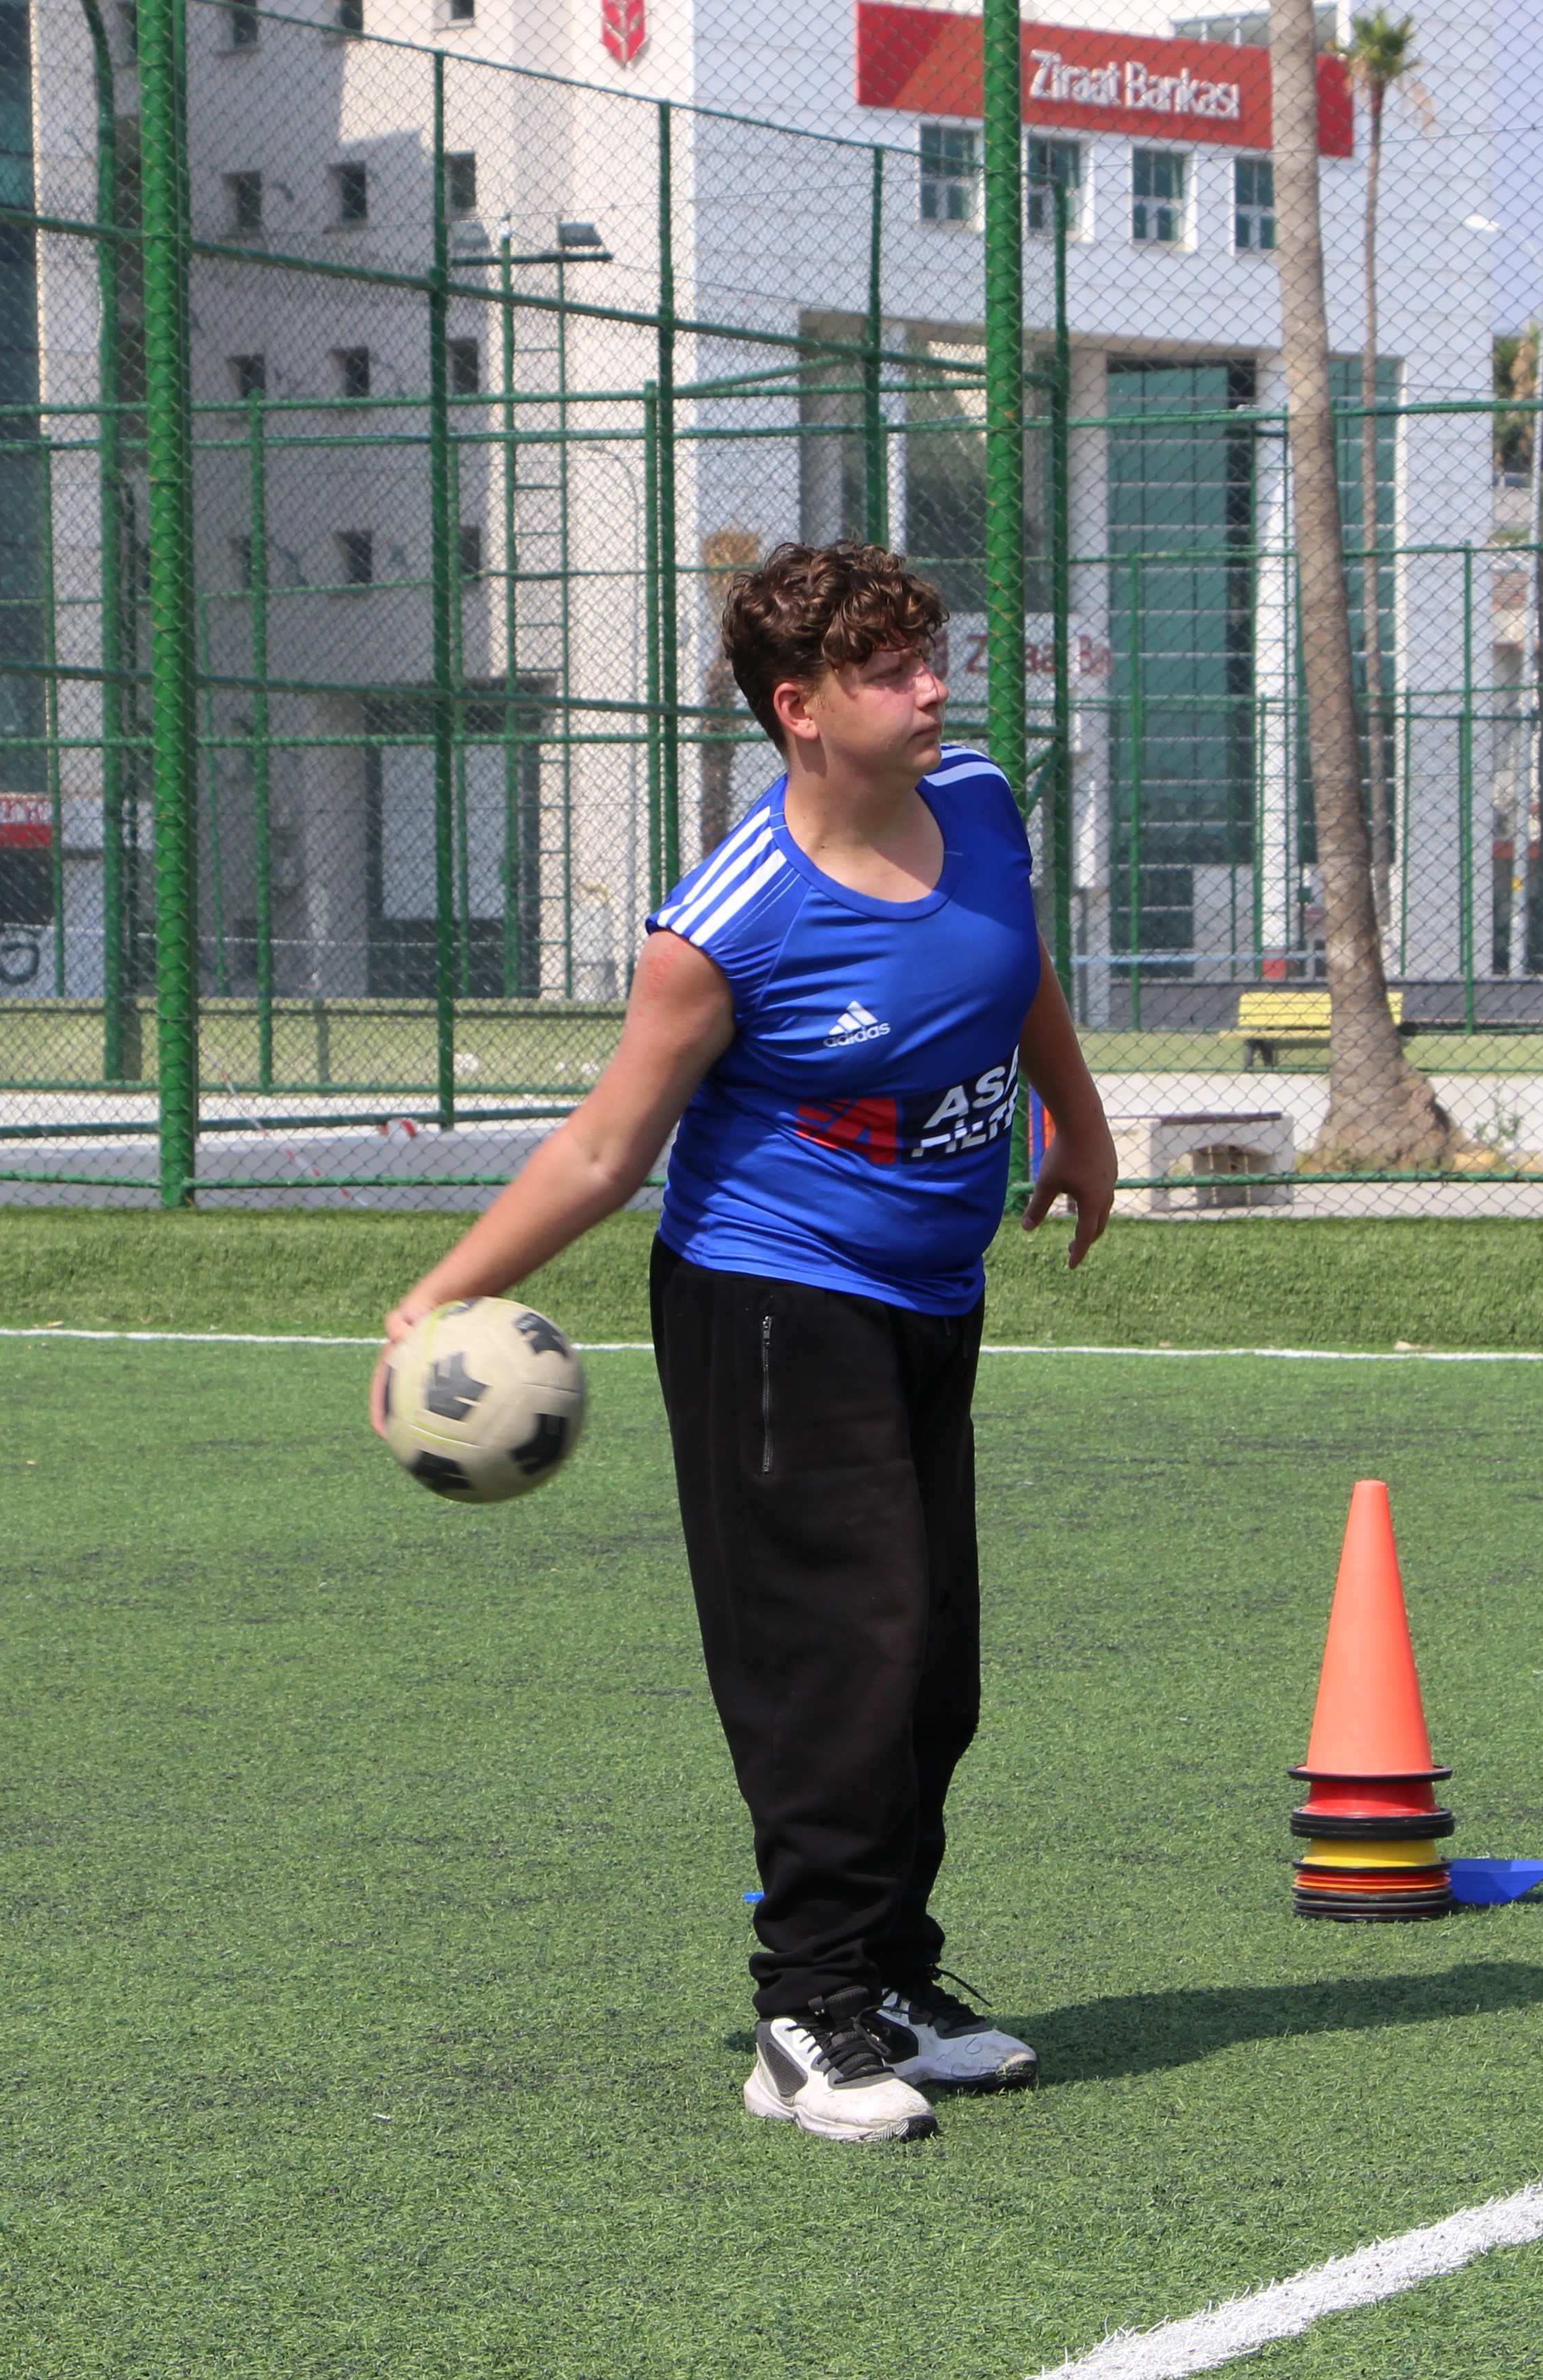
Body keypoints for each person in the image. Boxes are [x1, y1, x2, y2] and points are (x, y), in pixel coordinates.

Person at [382, 541, 1118, 2144]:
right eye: (890, 669)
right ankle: (805, 2010)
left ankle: (893, 1980)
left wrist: (1083, 1124)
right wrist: (439, 1293)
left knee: (935, 1661)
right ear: (798, 708)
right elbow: (601, 1153)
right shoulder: (726, 925)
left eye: (932, 653)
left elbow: (1014, 968)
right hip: (776, 1303)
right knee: (839, 1654)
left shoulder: (978, 799)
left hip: (935, 1291)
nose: (934, 687)